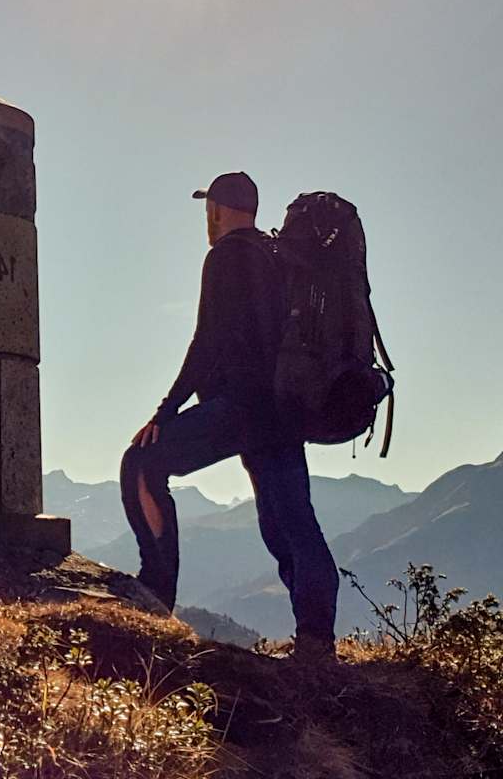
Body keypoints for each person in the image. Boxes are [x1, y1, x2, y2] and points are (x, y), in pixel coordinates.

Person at [120, 171, 339, 663]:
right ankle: (316, 640)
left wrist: (165, 411)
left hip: (242, 408)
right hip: (286, 411)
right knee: (290, 521)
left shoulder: (225, 255)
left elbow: (207, 341)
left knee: (141, 463)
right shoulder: (278, 256)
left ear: (216, 210)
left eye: (208, 210)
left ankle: (155, 594)